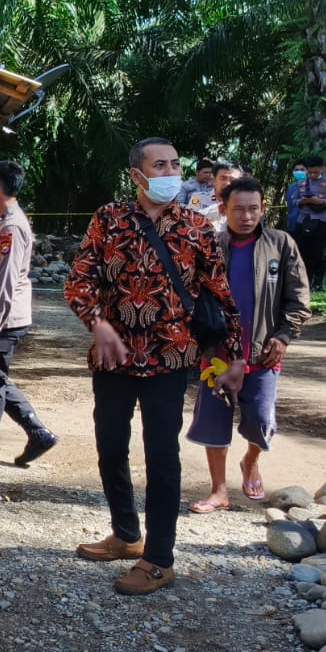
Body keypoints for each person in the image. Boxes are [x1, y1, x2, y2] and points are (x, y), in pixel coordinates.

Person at [64, 137, 243, 595]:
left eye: (175, 164)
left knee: (162, 457)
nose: (170, 172)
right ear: (137, 176)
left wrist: (231, 358)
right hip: (113, 360)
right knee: (109, 447)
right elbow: (78, 281)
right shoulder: (109, 220)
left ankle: (159, 559)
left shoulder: (197, 227)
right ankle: (126, 534)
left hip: (170, 358)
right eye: (159, 165)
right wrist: (98, 323)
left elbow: (222, 299)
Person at [186, 177, 311, 512]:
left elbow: (299, 300)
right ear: (223, 209)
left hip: (263, 355)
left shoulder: (281, 244)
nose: (246, 215)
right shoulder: (209, 247)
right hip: (218, 357)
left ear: (263, 208)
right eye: (238, 209)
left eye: (253, 208)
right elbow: (192, 297)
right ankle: (218, 491)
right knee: (214, 421)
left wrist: (283, 336)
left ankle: (251, 460)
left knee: (261, 420)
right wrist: (205, 345)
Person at [0, 161, 58, 468]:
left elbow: (7, 281)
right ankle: (37, 432)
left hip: (6, 318)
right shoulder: (1, 222)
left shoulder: (11, 227)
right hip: (0, 316)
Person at [290, 155, 326, 293]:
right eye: (310, 172)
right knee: (302, 252)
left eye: (316, 172)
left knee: (318, 254)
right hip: (303, 221)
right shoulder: (301, 184)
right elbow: (293, 200)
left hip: (320, 222)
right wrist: (303, 201)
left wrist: (322, 202)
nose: (312, 175)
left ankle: (318, 283)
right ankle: (304, 281)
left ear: (322, 170)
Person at [284, 161, 308, 232]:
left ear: (307, 171)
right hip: (291, 226)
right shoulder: (291, 188)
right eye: (296, 170)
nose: (299, 172)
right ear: (293, 172)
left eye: (302, 170)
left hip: (306, 228)